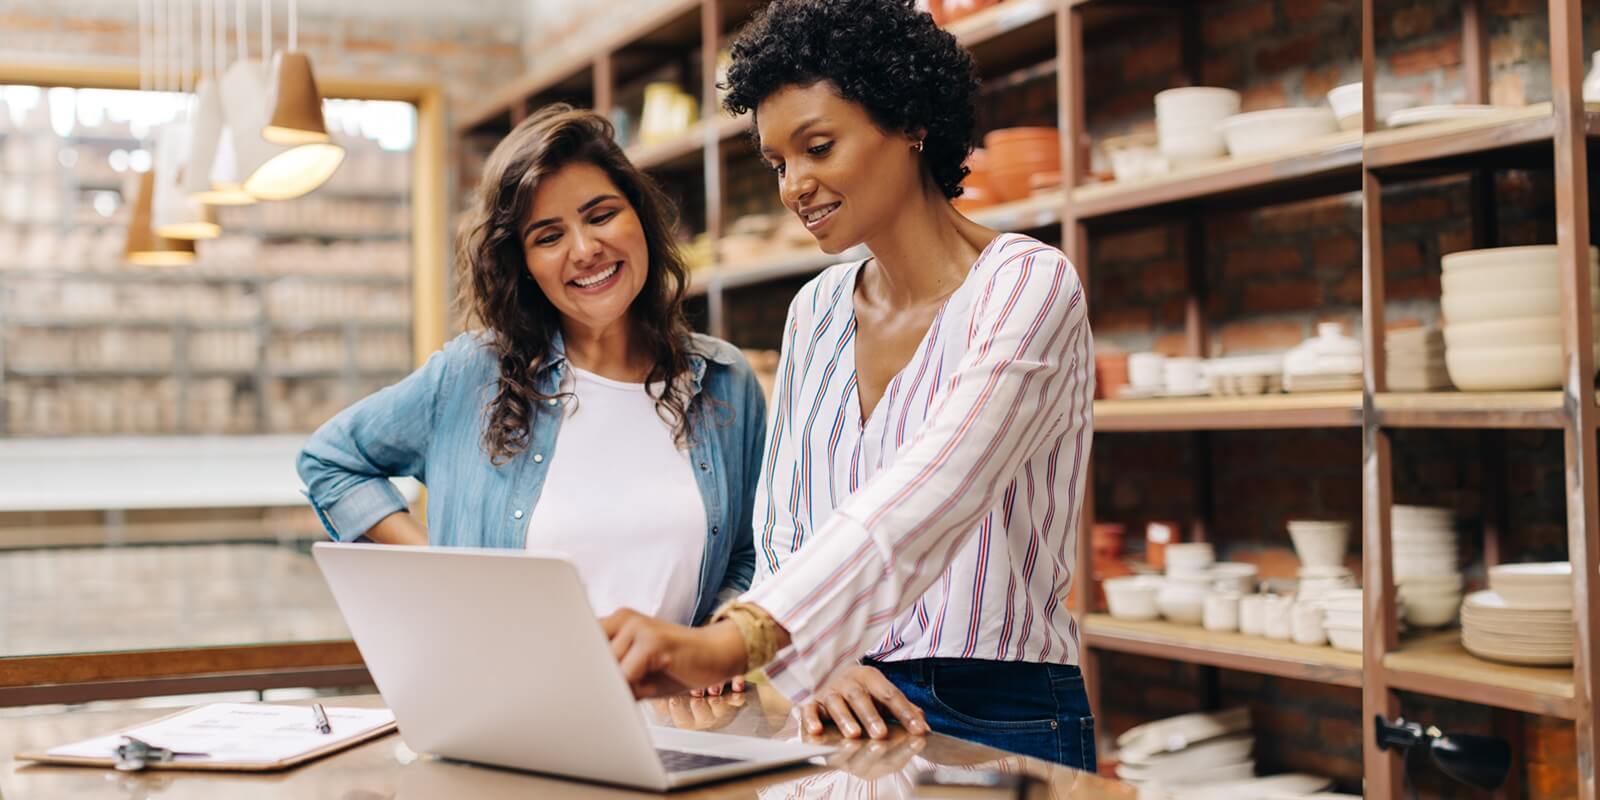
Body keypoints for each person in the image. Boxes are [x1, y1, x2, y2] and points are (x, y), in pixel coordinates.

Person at [602, 0, 1097, 769]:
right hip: (838, 700)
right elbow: (784, 528)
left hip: (999, 710)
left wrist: (741, 640)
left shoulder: (1028, 286)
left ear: (910, 123)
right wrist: (816, 663)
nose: (795, 184)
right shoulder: (817, 310)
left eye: (818, 146)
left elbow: (933, 493)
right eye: (777, 163)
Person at [299, 105, 767, 693]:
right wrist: (441, 564)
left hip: (682, 728)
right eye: (548, 236)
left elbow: (753, 552)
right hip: (509, 705)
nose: (585, 248)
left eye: (602, 215)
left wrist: (714, 644)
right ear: (523, 264)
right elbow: (330, 462)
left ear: (640, 219)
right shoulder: (474, 375)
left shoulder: (724, 381)